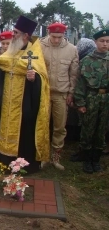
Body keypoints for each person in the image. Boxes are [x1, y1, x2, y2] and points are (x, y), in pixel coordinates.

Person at [0, 15, 50, 173]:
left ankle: (23, 164)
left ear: (25, 36)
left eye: (16, 32)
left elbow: (42, 78)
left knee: (25, 131)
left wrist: (34, 78)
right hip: (6, 102)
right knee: (4, 126)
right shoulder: (10, 51)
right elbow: (2, 65)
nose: (12, 35)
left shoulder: (34, 54)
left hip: (24, 105)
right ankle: (2, 160)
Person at [40, 22, 79, 170]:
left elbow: (74, 74)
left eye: (59, 37)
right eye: (53, 37)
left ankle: (56, 157)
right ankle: (43, 156)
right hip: (43, 92)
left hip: (61, 94)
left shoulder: (71, 50)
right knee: (43, 125)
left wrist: (71, 92)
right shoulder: (41, 46)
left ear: (64, 35)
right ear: (49, 34)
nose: (56, 40)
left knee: (60, 126)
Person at [74, 29, 109, 174]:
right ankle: (86, 159)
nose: (105, 44)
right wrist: (80, 103)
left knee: (101, 129)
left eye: (107, 41)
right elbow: (80, 84)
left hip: (106, 99)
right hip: (91, 98)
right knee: (88, 128)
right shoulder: (87, 60)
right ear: (95, 42)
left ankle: (96, 159)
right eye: (102, 41)